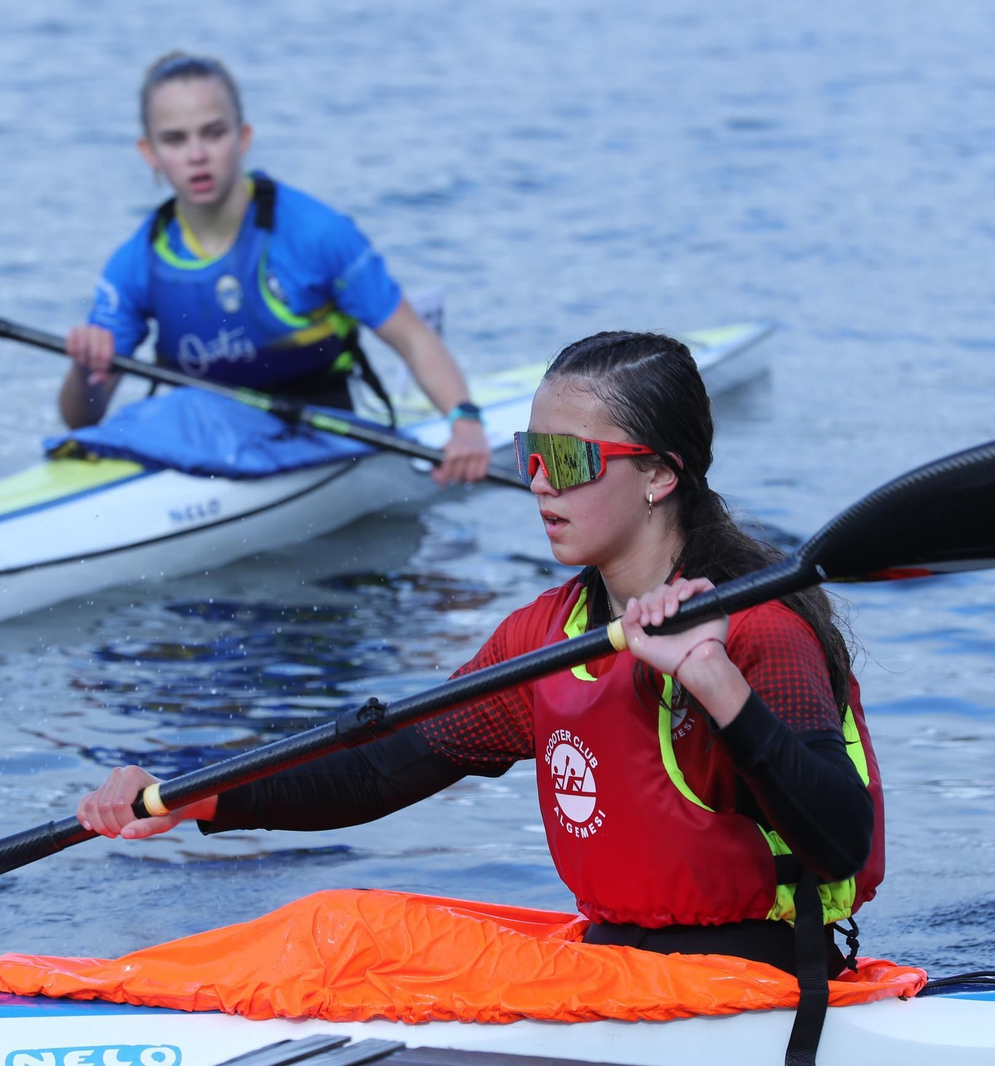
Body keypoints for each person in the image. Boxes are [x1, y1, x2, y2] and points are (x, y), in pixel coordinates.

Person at [78, 331, 882, 974]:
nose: (536, 483)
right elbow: (381, 765)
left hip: (760, 988)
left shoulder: (759, 631)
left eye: (566, 461)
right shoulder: (549, 636)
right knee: (340, 929)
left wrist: (712, 682)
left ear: (659, 476)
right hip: (618, 977)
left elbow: (838, 839)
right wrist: (197, 796)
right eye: (529, 454)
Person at [59, 52, 492, 486]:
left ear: (242, 137)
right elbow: (83, 417)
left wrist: (465, 422)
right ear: (149, 152)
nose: (196, 155)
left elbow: (414, 339)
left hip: (319, 435)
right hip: (205, 443)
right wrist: (83, 371)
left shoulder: (314, 234)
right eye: (175, 139)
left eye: (213, 133)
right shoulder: (136, 262)